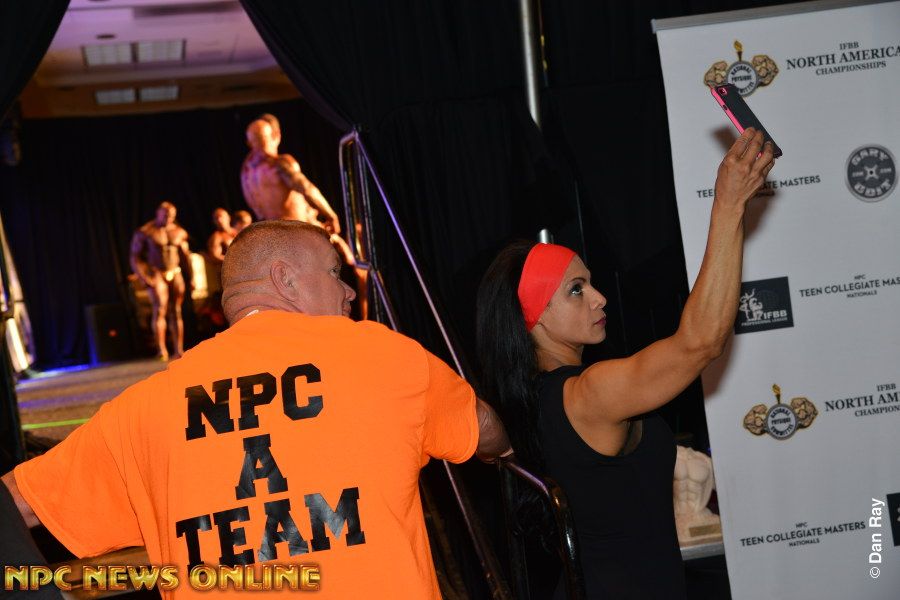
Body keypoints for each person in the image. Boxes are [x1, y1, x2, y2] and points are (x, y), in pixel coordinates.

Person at [3, 220, 510, 599]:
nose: (347, 291)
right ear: (284, 279)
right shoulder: (383, 356)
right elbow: (485, 428)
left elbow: (16, 503)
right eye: (335, 272)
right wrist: (504, 450)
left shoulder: (142, 410)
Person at [476, 129, 775, 599]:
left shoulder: (538, 397)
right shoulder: (587, 393)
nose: (599, 298)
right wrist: (729, 204)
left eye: (590, 283)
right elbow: (699, 343)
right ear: (535, 315)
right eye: (576, 290)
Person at [130, 201, 193, 361]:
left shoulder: (179, 232)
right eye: (165, 215)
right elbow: (135, 257)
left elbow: (186, 257)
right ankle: (162, 350)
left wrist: (191, 277)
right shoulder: (146, 231)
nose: (168, 218)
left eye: (171, 216)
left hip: (175, 271)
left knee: (176, 311)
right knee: (160, 309)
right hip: (157, 273)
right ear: (158, 214)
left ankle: (179, 349)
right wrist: (144, 277)